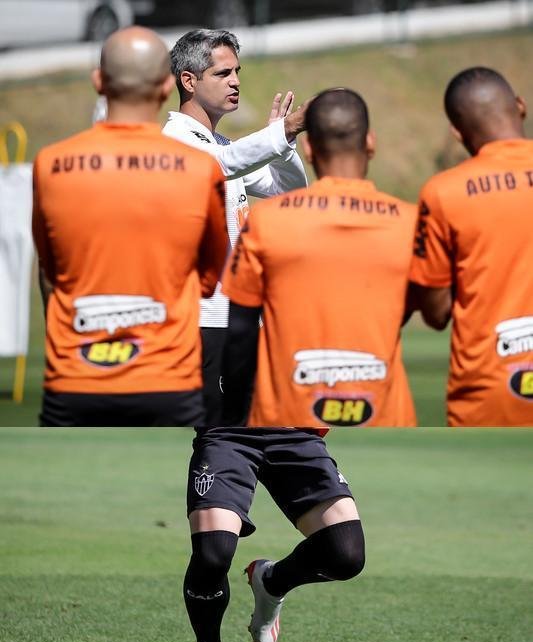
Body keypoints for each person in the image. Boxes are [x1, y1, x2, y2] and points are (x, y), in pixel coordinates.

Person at [32, 27, 227, 426]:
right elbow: (209, 277)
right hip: (168, 380)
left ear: (98, 82)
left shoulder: (51, 164)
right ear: (165, 87)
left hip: (75, 380)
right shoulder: (200, 169)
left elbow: (51, 275)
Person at [220, 88, 417, 428]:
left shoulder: (266, 221)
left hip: (283, 412)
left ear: (309, 150)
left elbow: (240, 325)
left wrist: (236, 400)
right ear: (370, 143)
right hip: (384, 412)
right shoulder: (410, 220)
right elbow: (436, 309)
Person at [162, 28, 308, 424]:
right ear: (189, 81)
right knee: (219, 434)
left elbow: (288, 193)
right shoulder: (175, 140)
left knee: (256, 428)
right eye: (223, 73)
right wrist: (283, 132)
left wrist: (284, 146)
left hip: (240, 320)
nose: (236, 81)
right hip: (203, 321)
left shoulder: (221, 144)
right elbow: (220, 166)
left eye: (237, 72)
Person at [177, 427, 365, 642]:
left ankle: (272, 582)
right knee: (212, 555)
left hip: (296, 433)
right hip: (227, 433)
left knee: (345, 556)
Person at [409, 66, 533, 426]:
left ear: (457, 131)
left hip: (490, 394)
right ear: (520, 106)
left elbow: (436, 313)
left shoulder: (443, 192)